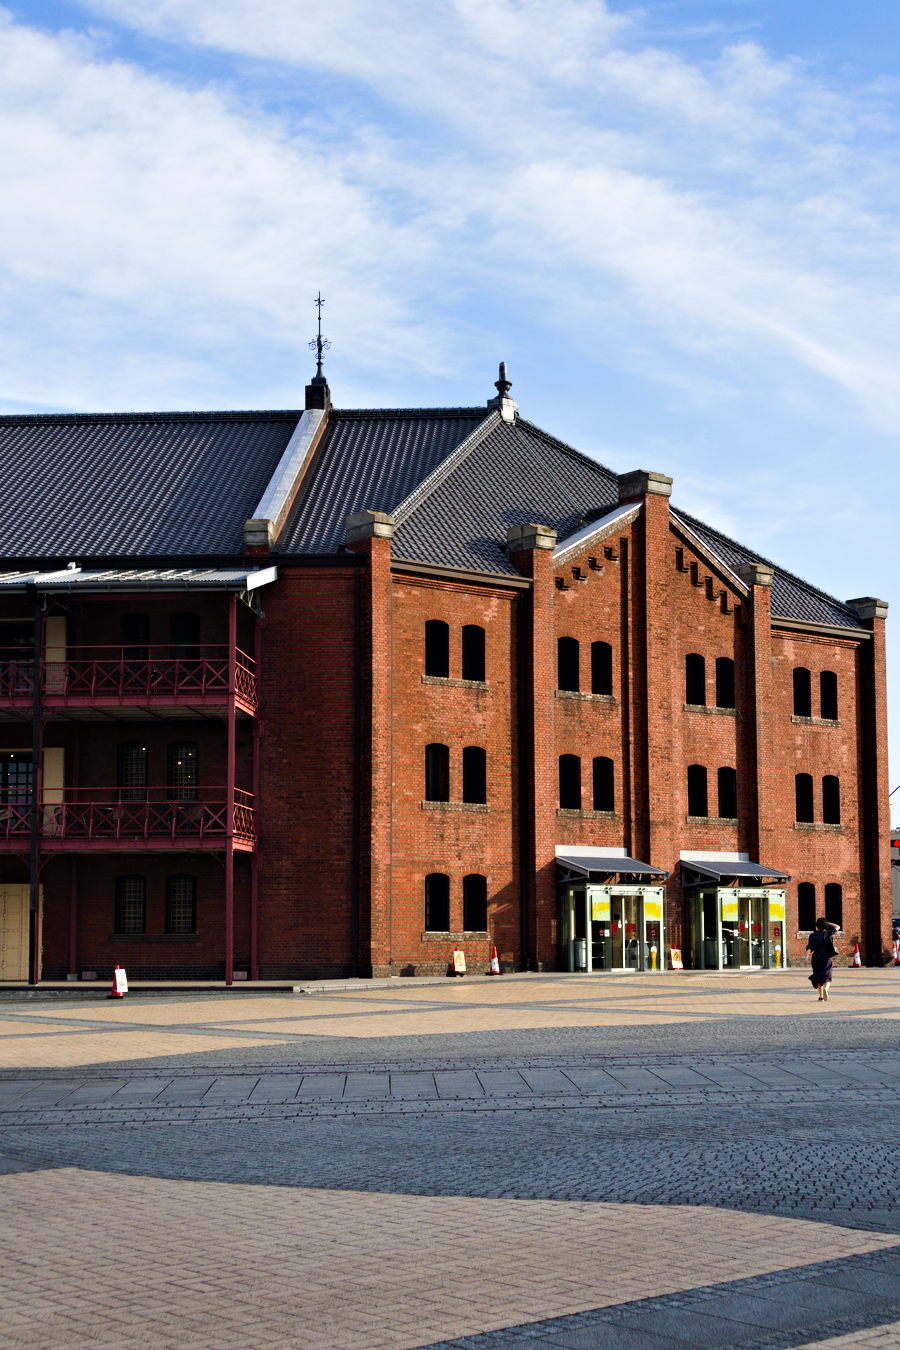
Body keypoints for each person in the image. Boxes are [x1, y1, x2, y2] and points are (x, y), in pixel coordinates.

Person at [806, 917, 840, 1001]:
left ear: (817, 926)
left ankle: (821, 996)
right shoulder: (828, 933)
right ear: (825, 926)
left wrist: (806, 957)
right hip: (826, 957)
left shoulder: (813, 935)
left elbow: (810, 947)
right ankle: (826, 989)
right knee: (827, 976)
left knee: (818, 976)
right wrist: (828, 923)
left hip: (816, 957)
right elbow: (837, 927)